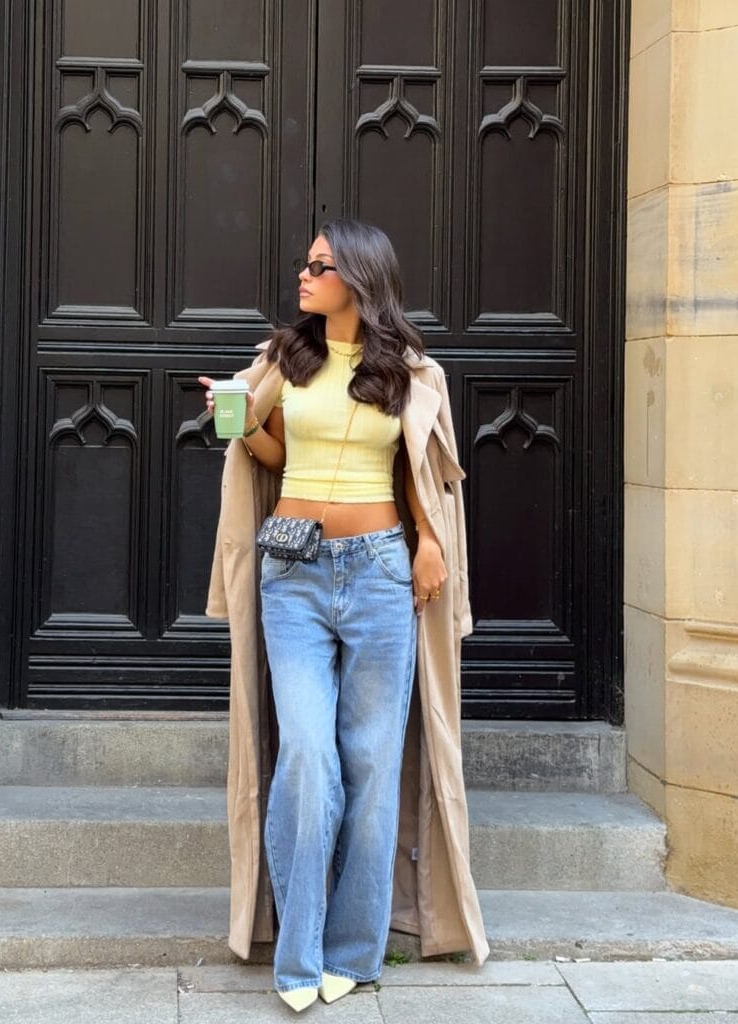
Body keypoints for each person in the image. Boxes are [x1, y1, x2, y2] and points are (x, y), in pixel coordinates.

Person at [200, 218, 489, 1012]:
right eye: (307, 263)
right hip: (291, 571)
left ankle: (355, 951)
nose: (304, 275)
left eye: (321, 265)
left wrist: (431, 543)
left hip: (379, 573)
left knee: (371, 762)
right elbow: (272, 454)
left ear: (359, 278)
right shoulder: (285, 359)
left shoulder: (411, 373)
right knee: (305, 755)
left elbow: (420, 473)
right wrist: (240, 420)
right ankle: (298, 953)